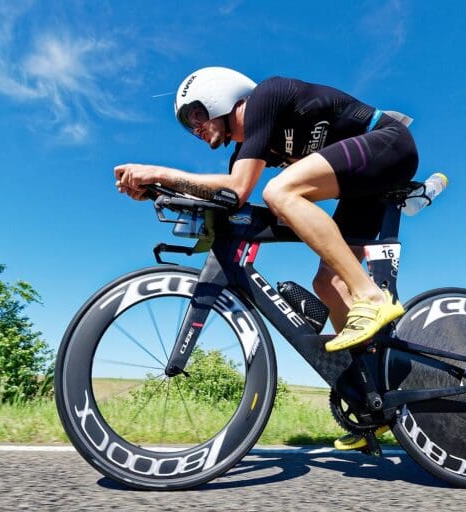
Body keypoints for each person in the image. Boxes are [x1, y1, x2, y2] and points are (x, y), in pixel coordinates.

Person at [114, 66, 418, 451]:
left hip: (389, 143)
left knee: (280, 192)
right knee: (328, 282)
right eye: (188, 125)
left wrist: (159, 170)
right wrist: (156, 187)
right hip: (363, 189)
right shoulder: (249, 149)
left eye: (195, 114)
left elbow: (240, 189)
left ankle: (372, 297)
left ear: (218, 95)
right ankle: (373, 397)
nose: (195, 128)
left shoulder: (265, 97)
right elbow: (228, 196)